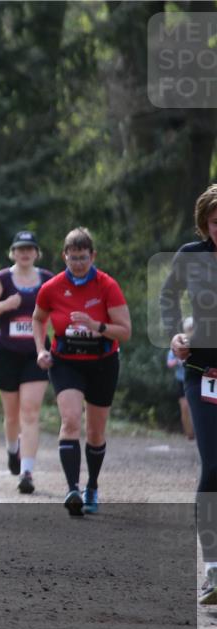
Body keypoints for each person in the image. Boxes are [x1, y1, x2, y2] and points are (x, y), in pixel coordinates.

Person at [32, 227, 131, 516]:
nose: (77, 263)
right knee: (71, 420)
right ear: (64, 255)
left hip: (102, 363)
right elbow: (38, 319)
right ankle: (72, 488)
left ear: (93, 256)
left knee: (96, 432)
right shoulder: (52, 287)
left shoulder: (107, 285)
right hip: (66, 362)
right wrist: (41, 349)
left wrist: (95, 325)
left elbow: (125, 332)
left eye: (83, 258)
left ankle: (92, 486)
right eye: (72, 257)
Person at [160, 184, 217, 605]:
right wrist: (175, 334)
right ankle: (213, 569)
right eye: (216, 222)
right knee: (213, 465)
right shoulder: (190, 255)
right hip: (203, 372)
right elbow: (166, 296)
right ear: (204, 223)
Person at [0, 231, 53, 494]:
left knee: (30, 413)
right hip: (6, 354)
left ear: (36, 252)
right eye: (20, 248)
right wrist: (7, 304)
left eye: (30, 248)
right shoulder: (3, 279)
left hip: (37, 353)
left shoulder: (47, 279)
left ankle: (27, 472)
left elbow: (60, 311)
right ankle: (13, 450)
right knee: (11, 416)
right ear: (13, 252)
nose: (25, 253)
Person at [166, 317, 195, 440]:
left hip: (195, 379)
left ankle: (198, 432)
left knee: (193, 406)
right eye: (188, 328)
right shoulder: (178, 343)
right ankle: (189, 434)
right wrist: (178, 360)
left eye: (192, 328)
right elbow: (169, 363)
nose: (190, 330)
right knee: (184, 407)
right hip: (181, 380)